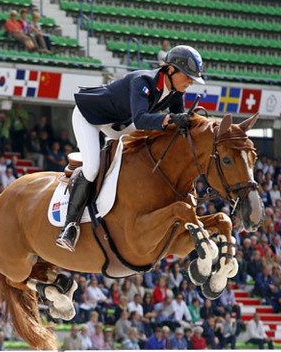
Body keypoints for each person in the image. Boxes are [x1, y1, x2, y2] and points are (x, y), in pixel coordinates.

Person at [56, 45, 204, 251]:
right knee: (91, 168)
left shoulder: (175, 92)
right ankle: (69, 226)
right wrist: (172, 118)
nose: (190, 82)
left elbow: (176, 127)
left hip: (119, 123)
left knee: (148, 147)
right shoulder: (142, 81)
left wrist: (193, 122)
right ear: (170, 70)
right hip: (89, 117)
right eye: (187, 77)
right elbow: (142, 120)